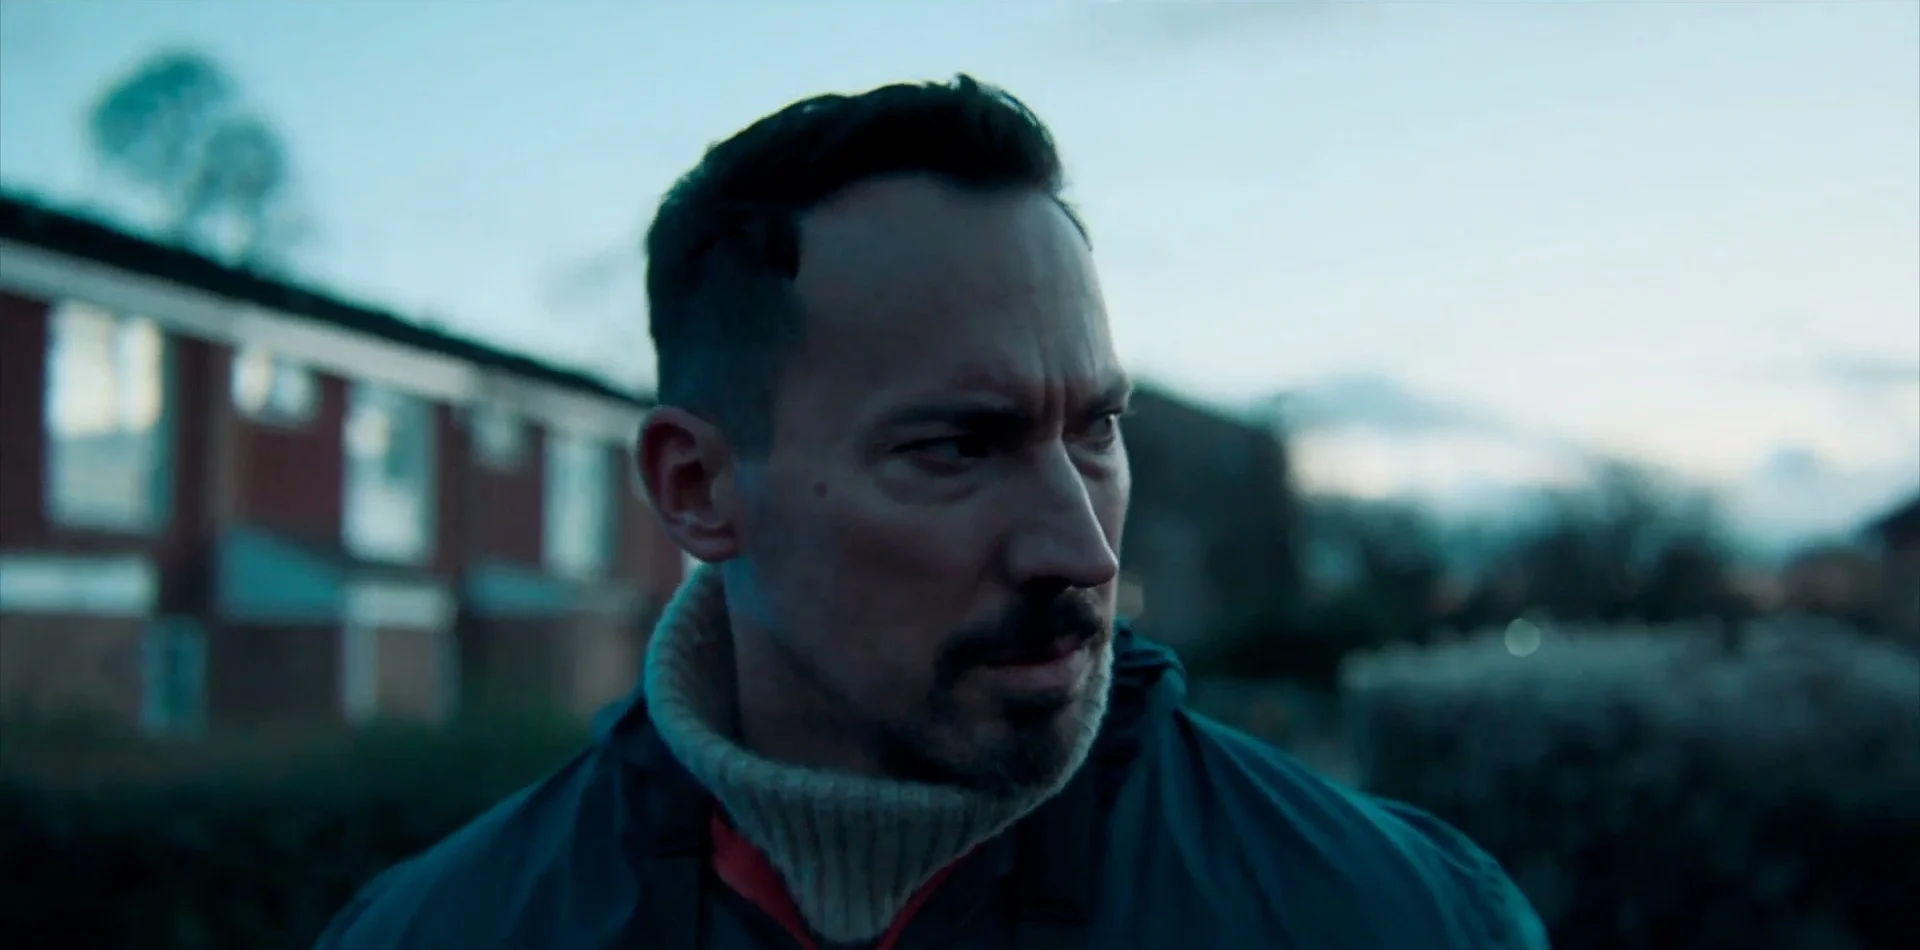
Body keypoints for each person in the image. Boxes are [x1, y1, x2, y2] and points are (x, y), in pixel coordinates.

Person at [314, 76, 1550, 950]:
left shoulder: (1398, 915)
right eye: (959, 445)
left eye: (1095, 431)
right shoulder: (443, 926)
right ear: (697, 487)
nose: (1084, 546)